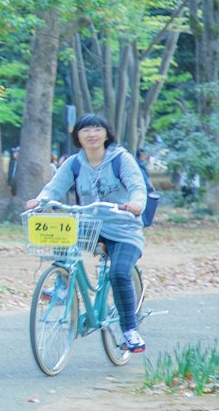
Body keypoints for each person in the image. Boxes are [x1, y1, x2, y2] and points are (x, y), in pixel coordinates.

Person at [24, 113, 150, 353]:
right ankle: (63, 284)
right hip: (90, 226)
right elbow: (54, 187)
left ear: (106, 134)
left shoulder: (121, 159)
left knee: (119, 272)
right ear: (77, 137)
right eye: (85, 130)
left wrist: (136, 203)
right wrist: (41, 201)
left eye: (97, 129)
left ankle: (129, 331)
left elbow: (136, 187)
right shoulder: (74, 163)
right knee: (62, 227)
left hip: (123, 227)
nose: (92, 134)